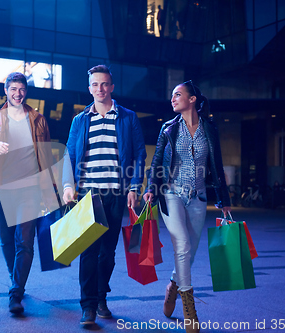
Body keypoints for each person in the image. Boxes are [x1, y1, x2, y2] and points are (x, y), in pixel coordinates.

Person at [143, 80, 231, 333]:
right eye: (172, 95)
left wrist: (223, 200)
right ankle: (189, 307)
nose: (173, 99)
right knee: (181, 244)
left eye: (178, 94)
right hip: (171, 194)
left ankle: (173, 285)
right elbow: (157, 162)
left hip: (199, 197)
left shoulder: (209, 129)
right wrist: (151, 189)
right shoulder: (168, 129)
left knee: (189, 252)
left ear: (192, 99)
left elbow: (217, 165)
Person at [62, 64, 146, 325]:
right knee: (88, 251)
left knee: (107, 252)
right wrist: (67, 185)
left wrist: (134, 187)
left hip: (116, 193)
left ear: (112, 86)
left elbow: (139, 154)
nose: (100, 89)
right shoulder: (80, 119)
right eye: (95, 84)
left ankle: (101, 296)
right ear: (89, 89)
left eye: (104, 84)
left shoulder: (127, 117)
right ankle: (88, 305)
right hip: (88, 194)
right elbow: (70, 155)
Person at [0, 72, 54, 314]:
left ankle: (16, 292)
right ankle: (17, 279)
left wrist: (51, 188)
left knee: (25, 240)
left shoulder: (38, 119)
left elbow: (46, 156)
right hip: (4, 187)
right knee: (6, 239)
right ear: (6, 91)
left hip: (31, 189)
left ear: (26, 91)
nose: (17, 93)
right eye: (13, 89)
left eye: (21, 89)